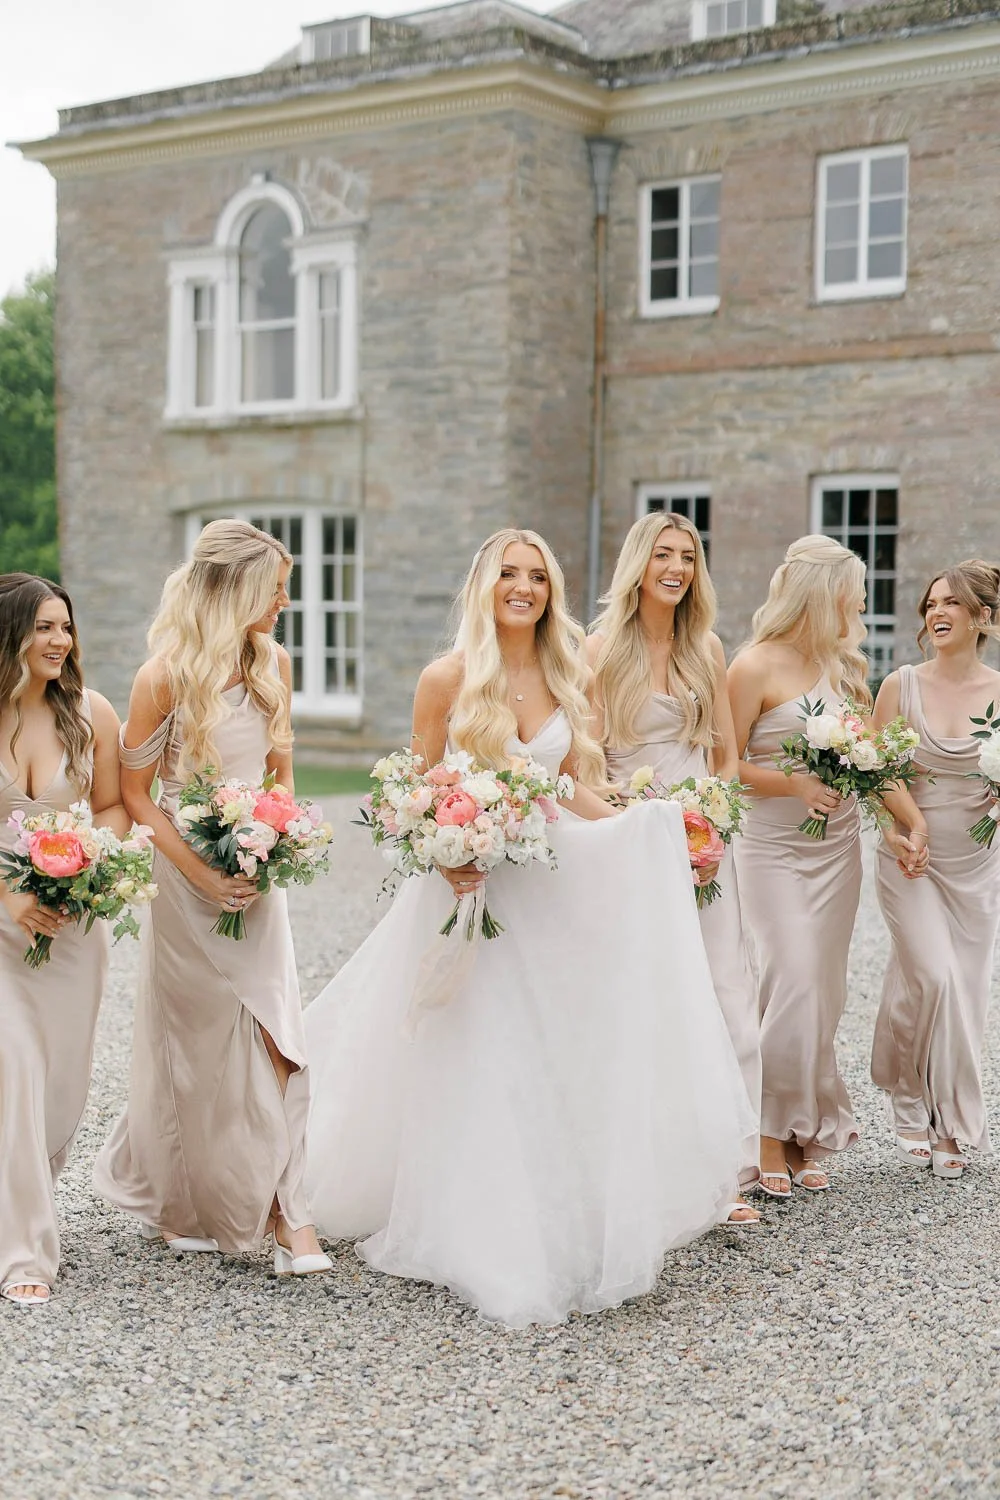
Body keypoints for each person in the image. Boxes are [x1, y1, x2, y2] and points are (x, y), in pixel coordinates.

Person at [303, 528, 754, 1328]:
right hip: (471, 887)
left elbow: (573, 782)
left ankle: (552, 1208)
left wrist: (642, 820)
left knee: (548, 1045)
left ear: (551, 591)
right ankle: (471, 1215)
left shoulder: (568, 668)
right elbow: (412, 791)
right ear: (484, 585)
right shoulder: (445, 678)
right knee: (473, 1049)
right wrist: (446, 857)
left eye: (537, 576)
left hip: (547, 887)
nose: (524, 587)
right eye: (509, 574)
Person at [93, 520, 330, 1276]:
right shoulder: (162, 676)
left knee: (277, 1038)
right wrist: (200, 874)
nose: (286, 600)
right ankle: (196, 1200)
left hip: (258, 878)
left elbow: (281, 774)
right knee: (198, 1053)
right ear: (233, 590)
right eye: (275, 587)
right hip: (186, 881)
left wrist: (274, 837)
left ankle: (291, 1214)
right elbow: (134, 793)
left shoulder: (273, 664)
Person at [588, 513, 762, 1225]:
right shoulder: (599, 651)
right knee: (652, 1001)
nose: (676, 568)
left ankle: (731, 1166)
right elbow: (587, 762)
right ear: (638, 564)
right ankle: (654, 1164)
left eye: (687, 557)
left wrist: (711, 812)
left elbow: (724, 751)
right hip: (634, 838)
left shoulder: (705, 648)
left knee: (728, 996)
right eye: (662, 555)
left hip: (706, 842)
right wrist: (639, 816)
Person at [728, 536, 869, 1198]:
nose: (862, 605)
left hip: (837, 849)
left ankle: (806, 1122)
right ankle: (762, 1124)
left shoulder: (845, 672)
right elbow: (724, 766)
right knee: (794, 974)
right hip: (772, 846)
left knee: (825, 989)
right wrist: (794, 787)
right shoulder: (751, 667)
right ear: (826, 595)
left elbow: (870, 758)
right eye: (856, 593)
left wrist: (908, 821)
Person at [0, 574, 128, 1306]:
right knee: (12, 1063)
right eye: (43, 627)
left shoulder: (90, 713)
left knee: (59, 1090)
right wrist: (10, 891)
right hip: (0, 923)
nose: (59, 641)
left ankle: (22, 1197)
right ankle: (24, 1252)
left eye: (65, 627)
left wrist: (74, 861)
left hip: (71, 930)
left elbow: (111, 807)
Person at [870, 560, 1000, 1179]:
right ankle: (910, 1100)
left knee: (963, 988)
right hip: (909, 855)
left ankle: (949, 1124)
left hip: (977, 859)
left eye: (951, 604)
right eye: (930, 605)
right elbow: (878, 773)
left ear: (982, 618)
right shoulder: (901, 685)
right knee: (934, 976)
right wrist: (900, 830)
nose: (937, 614)